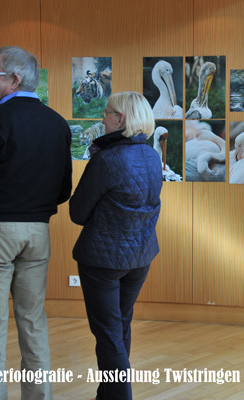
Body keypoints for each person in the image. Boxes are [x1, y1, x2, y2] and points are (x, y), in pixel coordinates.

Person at [0, 46, 72, 400]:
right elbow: (64, 189)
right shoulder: (57, 122)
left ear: (14, 79)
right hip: (37, 233)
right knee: (33, 321)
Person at [69, 91, 162, 400]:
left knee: (108, 334)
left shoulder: (107, 159)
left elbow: (77, 213)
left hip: (103, 263)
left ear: (119, 119)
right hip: (140, 259)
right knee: (119, 328)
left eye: (107, 113)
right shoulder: (152, 156)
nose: (102, 118)